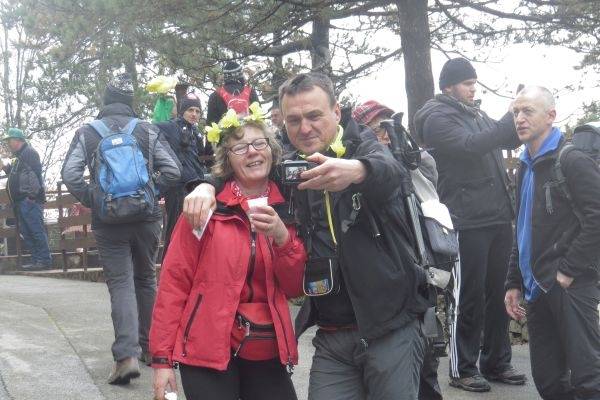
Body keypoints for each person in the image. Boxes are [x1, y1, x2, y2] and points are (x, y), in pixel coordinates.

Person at [183, 72, 428, 400]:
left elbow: (391, 171)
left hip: (389, 323)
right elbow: (242, 171)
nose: (305, 128)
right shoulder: (287, 162)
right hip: (332, 329)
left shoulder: (362, 145)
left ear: (336, 112)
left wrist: (358, 170)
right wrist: (205, 186)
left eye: (314, 116)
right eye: (294, 120)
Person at [150, 109, 306, 400]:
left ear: (271, 150)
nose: (252, 152)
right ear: (227, 159)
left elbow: (296, 287)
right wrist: (162, 360)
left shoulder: (290, 205)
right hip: (205, 347)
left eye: (259, 143)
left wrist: (282, 237)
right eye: (240, 147)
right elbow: (174, 283)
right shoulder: (203, 208)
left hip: (265, 346)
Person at [414, 58, 526, 393]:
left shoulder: (476, 114)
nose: (473, 89)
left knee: (498, 292)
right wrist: (509, 114)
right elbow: (470, 145)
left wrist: (520, 112)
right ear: (449, 86)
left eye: (474, 83)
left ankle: (496, 362)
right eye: (467, 83)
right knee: (468, 296)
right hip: (466, 219)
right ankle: (462, 368)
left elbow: (506, 138)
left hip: (496, 215)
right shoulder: (436, 117)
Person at [61, 72, 181, 385]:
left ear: (105, 101)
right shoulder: (146, 129)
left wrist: (95, 199)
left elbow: (70, 174)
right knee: (146, 278)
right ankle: (152, 349)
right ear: (130, 102)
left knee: (121, 283)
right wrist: (151, 193)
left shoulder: (88, 132)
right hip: (146, 218)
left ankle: (126, 356)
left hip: (109, 220)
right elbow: (173, 170)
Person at [505, 86, 600, 400]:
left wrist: (568, 270)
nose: (519, 118)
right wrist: (513, 281)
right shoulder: (525, 165)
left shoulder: (571, 160)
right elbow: (521, 229)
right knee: (548, 382)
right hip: (537, 289)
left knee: (589, 379)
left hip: (570, 285)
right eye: (516, 112)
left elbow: (597, 218)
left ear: (551, 116)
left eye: (527, 111)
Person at [353, 100, 442, 400]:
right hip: (388, 286)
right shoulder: (359, 168)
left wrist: (404, 154)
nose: (385, 134)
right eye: (376, 128)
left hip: (422, 269)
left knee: (426, 359)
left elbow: (430, 190)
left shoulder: (413, 159)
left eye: (388, 125)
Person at [155, 92, 209, 256]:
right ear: (182, 111)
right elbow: (152, 127)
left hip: (194, 187)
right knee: (174, 229)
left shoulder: (195, 132)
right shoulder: (172, 126)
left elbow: (202, 155)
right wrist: (163, 103)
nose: (194, 114)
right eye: (190, 110)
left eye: (197, 111)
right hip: (178, 188)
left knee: (194, 230)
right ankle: (168, 265)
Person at [1, 128, 52, 270]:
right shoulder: (18, 156)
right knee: (27, 232)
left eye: (9, 140)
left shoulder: (29, 153)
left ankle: (44, 261)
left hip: (29, 200)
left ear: (18, 140)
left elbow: (34, 175)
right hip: (20, 201)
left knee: (35, 230)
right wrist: (4, 166)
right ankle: (37, 260)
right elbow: (14, 173)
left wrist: (32, 196)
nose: (8, 143)